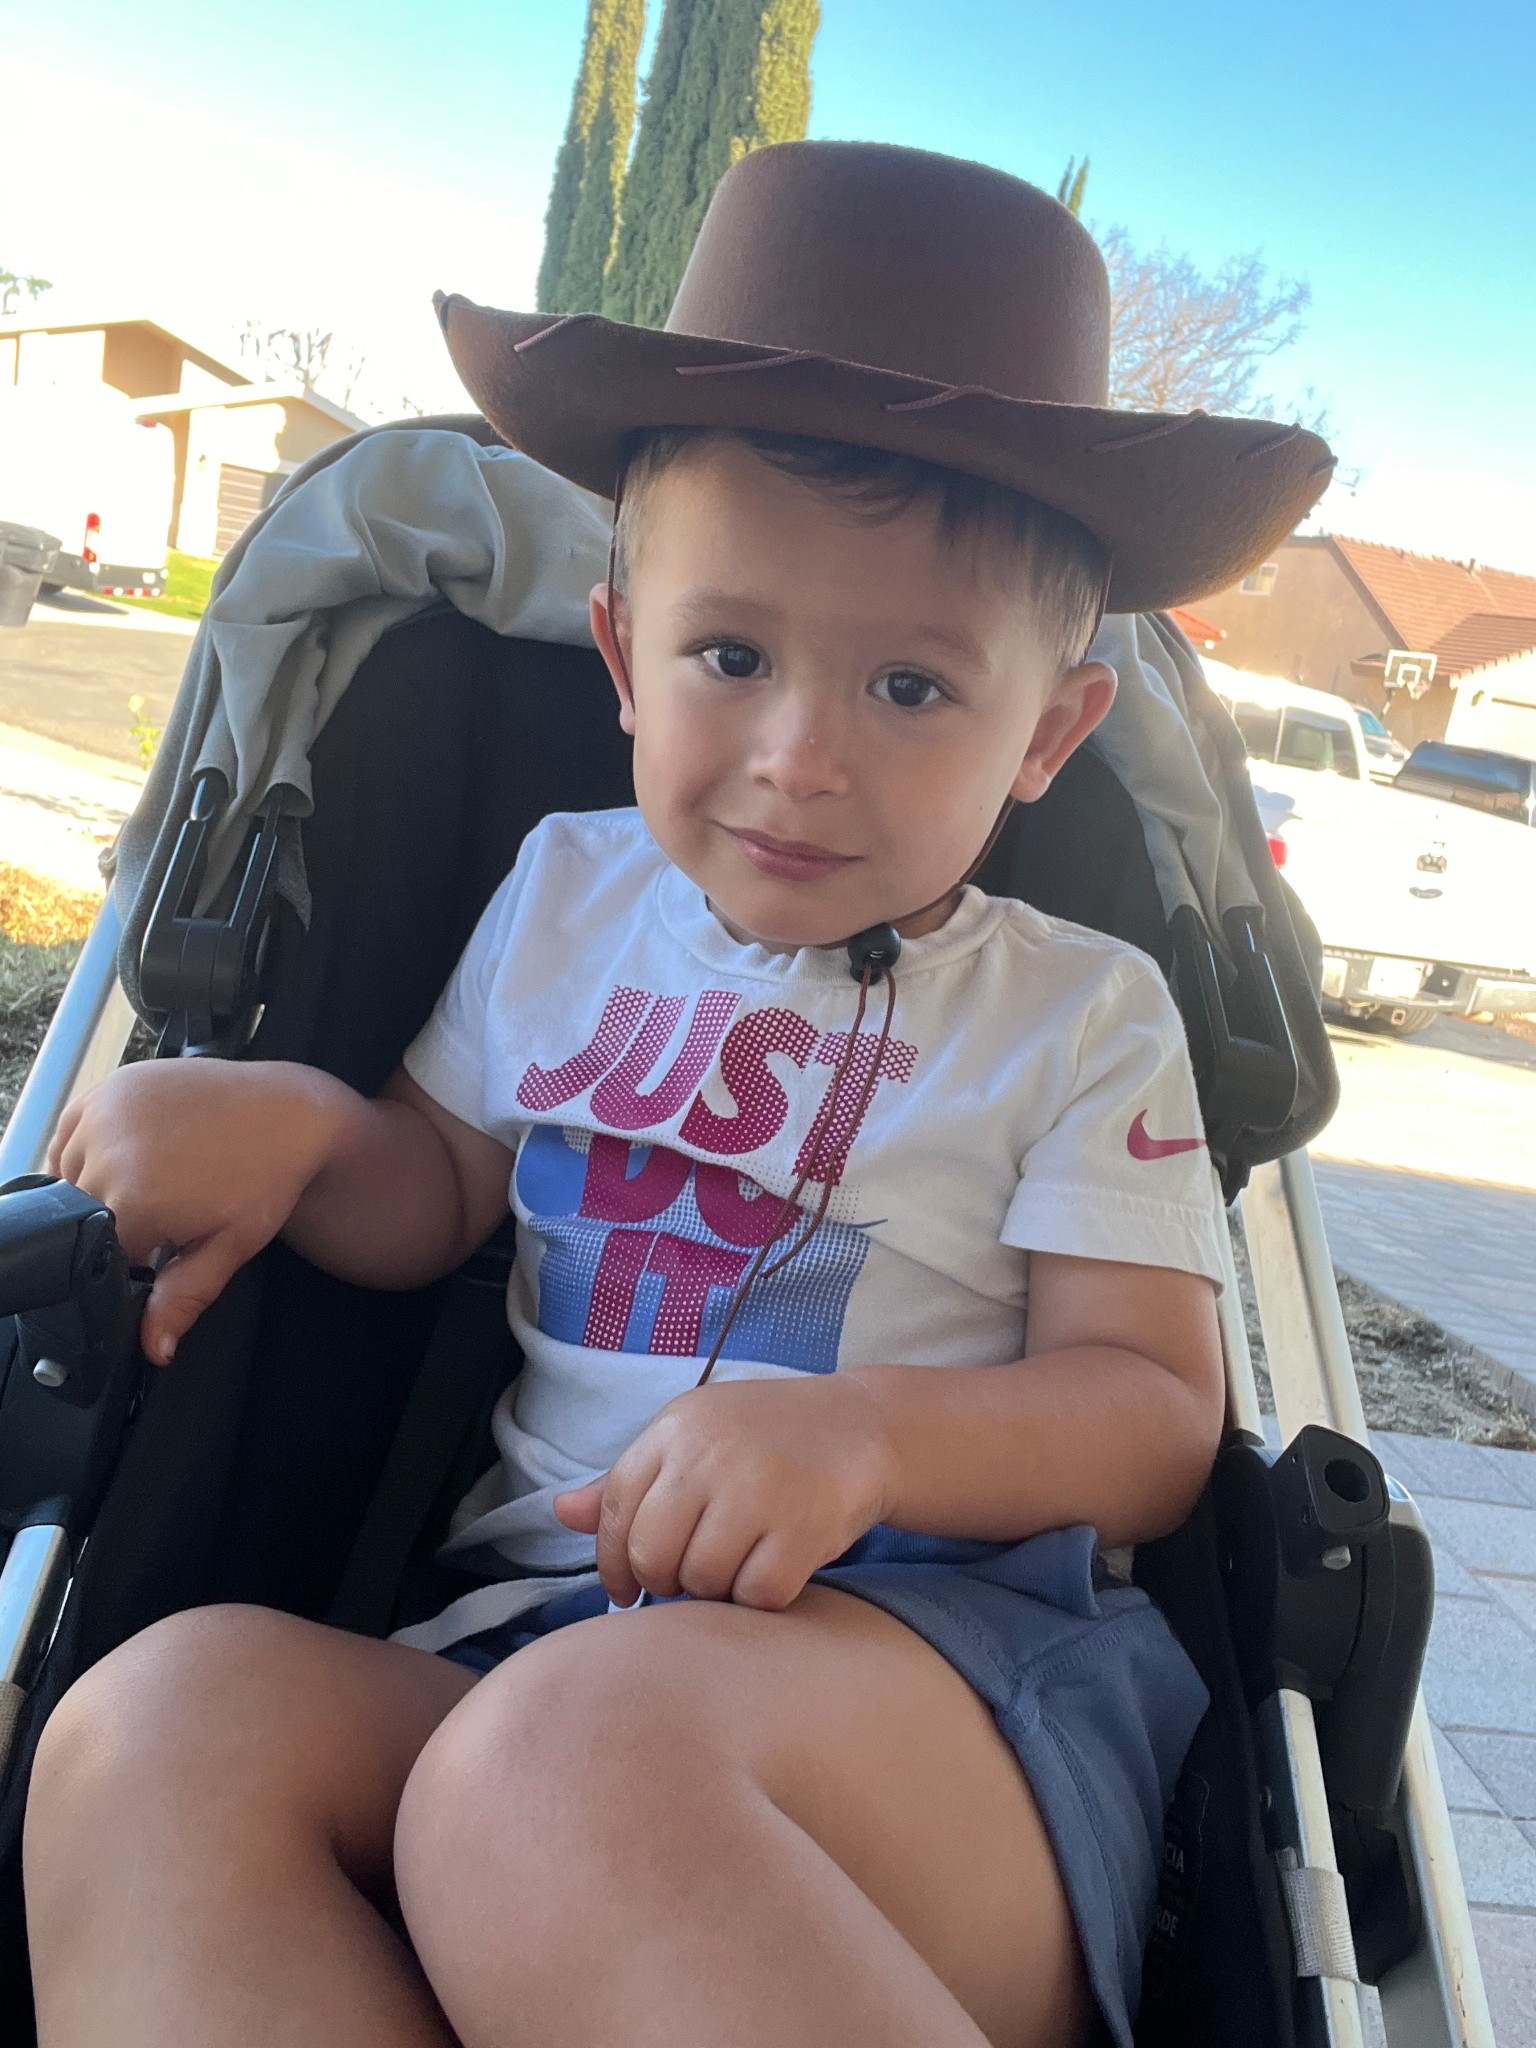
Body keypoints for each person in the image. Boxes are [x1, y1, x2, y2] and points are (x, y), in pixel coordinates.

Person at [23, 143, 1332, 2048]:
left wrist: (870, 1439)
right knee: (160, 1723)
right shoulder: (564, 895)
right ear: (624, 655)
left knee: (553, 1776)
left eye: (910, 690)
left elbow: (1148, 1415)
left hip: (934, 1678)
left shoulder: (1077, 1012)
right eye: (734, 656)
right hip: (535, 1639)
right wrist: (305, 1126)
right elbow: (439, 1197)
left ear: (1048, 728)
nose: (800, 759)